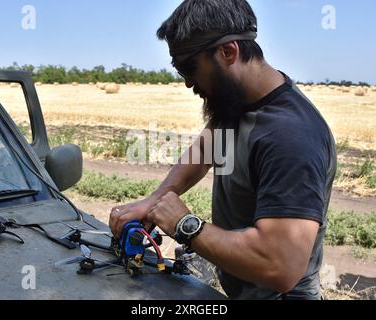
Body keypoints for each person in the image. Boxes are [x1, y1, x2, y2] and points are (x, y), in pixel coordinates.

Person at [109, 0, 337, 300]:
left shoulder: (289, 138)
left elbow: (280, 266)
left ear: (228, 52)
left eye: (189, 68)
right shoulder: (239, 100)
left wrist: (185, 225)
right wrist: (155, 201)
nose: (188, 83)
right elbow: (207, 146)